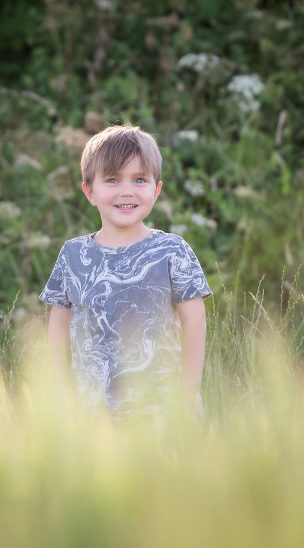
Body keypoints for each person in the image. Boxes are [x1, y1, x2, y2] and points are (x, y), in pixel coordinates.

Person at [39, 124, 212, 418]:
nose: (127, 191)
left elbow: (195, 324)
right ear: (89, 191)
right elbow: (58, 328)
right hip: (91, 411)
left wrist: (189, 392)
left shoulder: (172, 251)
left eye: (140, 179)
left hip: (161, 409)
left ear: (156, 190)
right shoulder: (73, 255)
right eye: (112, 180)